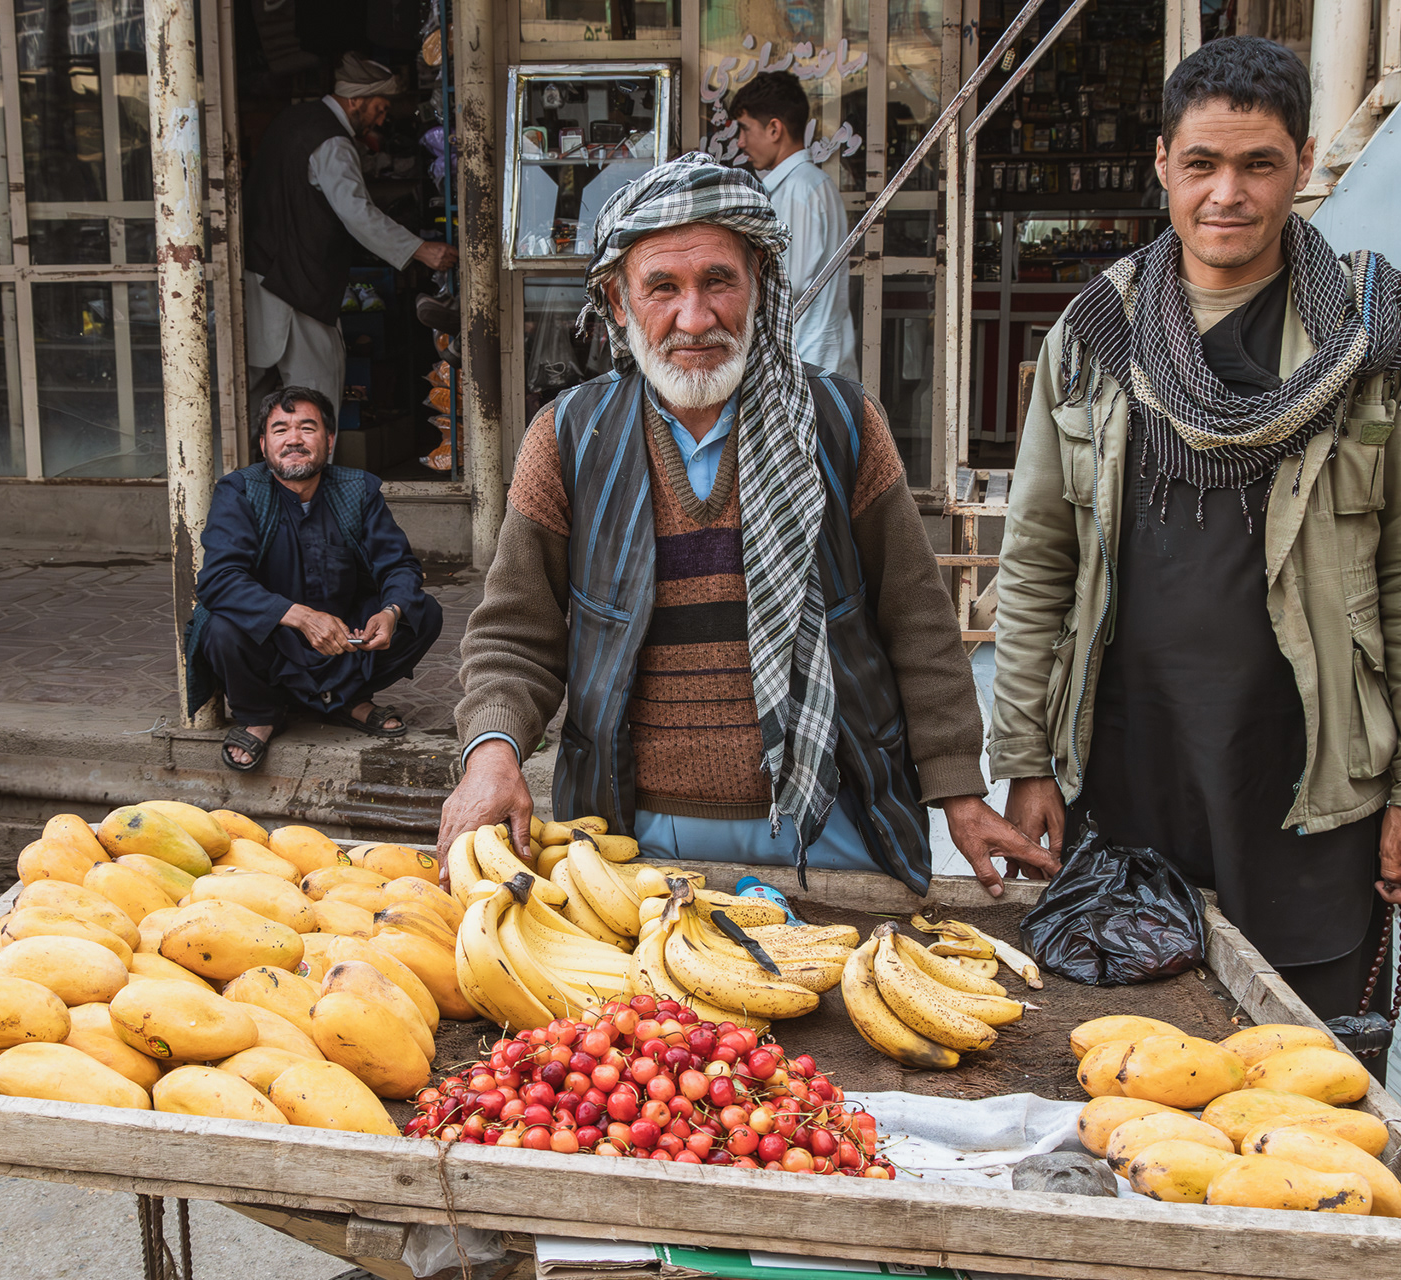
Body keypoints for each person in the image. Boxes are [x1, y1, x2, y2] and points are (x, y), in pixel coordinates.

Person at [990, 38, 1401, 1034]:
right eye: (1203, 163)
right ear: (1162, 161)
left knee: (1309, 1074)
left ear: (1301, 163)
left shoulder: (1379, 340)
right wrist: (1026, 756)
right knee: (1133, 1067)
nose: (1228, 195)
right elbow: (1038, 558)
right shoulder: (1095, 337)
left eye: (1259, 165)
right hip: (1124, 773)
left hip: (1306, 784)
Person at [441, 152, 1055, 896]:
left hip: (829, 820)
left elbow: (915, 619)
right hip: (633, 835)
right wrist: (492, 752)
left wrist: (959, 787)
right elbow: (514, 631)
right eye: (662, 287)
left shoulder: (841, 423)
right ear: (617, 300)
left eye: (718, 282)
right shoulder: (570, 438)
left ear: (759, 282)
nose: (693, 318)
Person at [186, 387, 445, 771]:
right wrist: (301, 617)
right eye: (280, 430)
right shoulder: (239, 491)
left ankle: (346, 699)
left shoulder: (358, 491)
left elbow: (399, 566)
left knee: (422, 612)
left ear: (329, 441)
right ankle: (261, 714)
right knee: (220, 627)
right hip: (273, 638)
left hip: (345, 636)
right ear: (263, 445)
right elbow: (219, 579)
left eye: (307, 428)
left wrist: (390, 612)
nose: (294, 439)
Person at [243, 53, 459, 417]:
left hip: (263, 270)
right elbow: (357, 213)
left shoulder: (293, 119)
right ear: (355, 100)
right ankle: (309, 473)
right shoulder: (332, 141)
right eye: (378, 107)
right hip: (297, 284)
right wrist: (420, 250)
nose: (382, 116)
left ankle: (251, 471)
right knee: (317, 391)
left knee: (252, 395)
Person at [727, 72, 858, 380]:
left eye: (745, 129)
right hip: (810, 354)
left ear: (774, 129)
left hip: (807, 357)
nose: (741, 142)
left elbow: (788, 280)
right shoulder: (805, 185)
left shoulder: (800, 189)